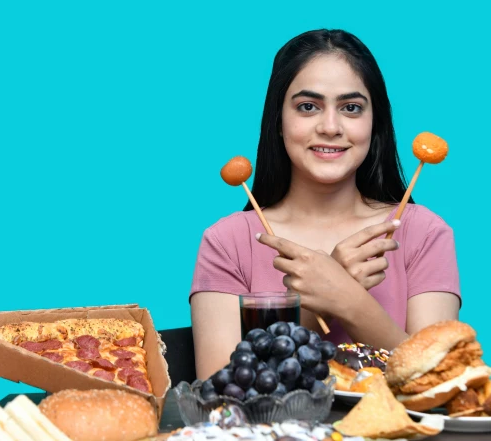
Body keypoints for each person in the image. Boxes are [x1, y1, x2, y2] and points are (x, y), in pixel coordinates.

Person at [190, 29, 460, 380]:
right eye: (307, 107)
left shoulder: (424, 233)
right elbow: (221, 393)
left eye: (351, 108)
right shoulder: (227, 242)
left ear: (374, 122)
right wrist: (319, 298)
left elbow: (440, 384)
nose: (331, 127)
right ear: (278, 120)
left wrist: (351, 303)